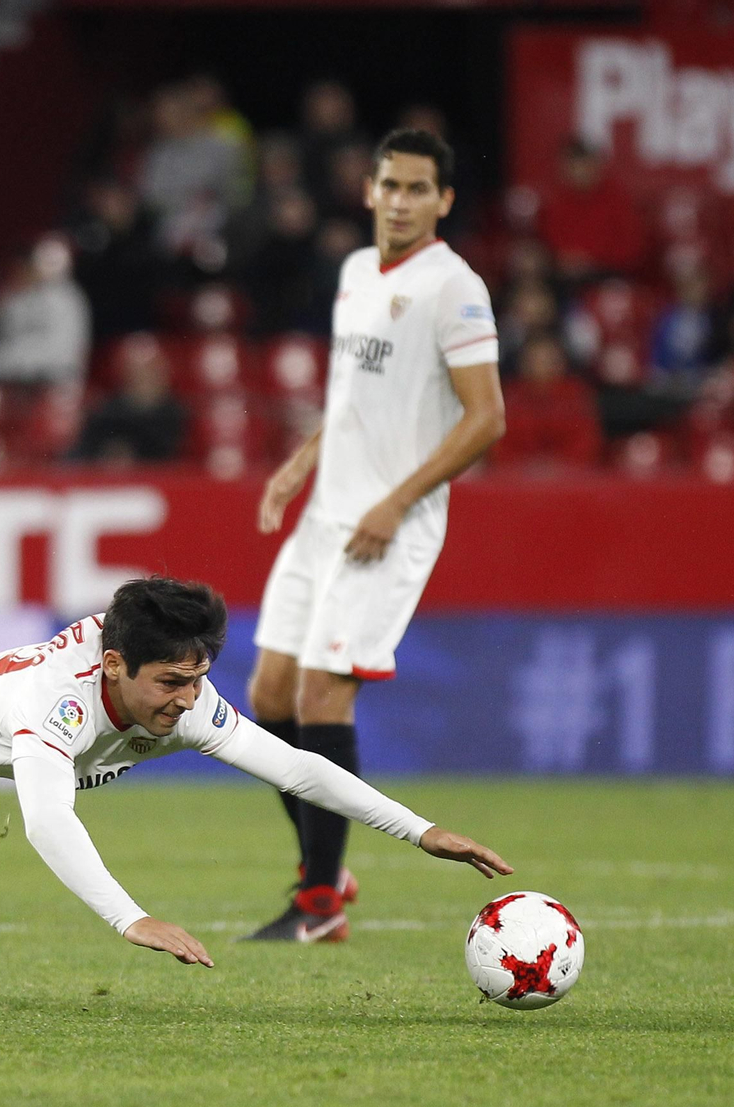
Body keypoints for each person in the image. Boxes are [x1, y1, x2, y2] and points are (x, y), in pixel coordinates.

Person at [0, 578, 512, 1005]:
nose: (185, 700)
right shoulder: (54, 706)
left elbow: (293, 765)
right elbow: (47, 818)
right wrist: (130, 916)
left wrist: (420, 830)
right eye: (169, 682)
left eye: (197, 678)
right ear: (112, 666)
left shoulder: (179, 690)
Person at [243, 129, 505, 943]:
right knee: (266, 697)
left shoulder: (454, 288)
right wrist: (300, 464)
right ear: (368, 190)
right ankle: (329, 867)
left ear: (444, 200)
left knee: (324, 694)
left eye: (417, 189)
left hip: (388, 526)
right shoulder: (358, 273)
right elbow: (354, 399)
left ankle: (318, 901)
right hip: (325, 515)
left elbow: (488, 417)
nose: (399, 201)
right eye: (388, 185)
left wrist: (394, 502)